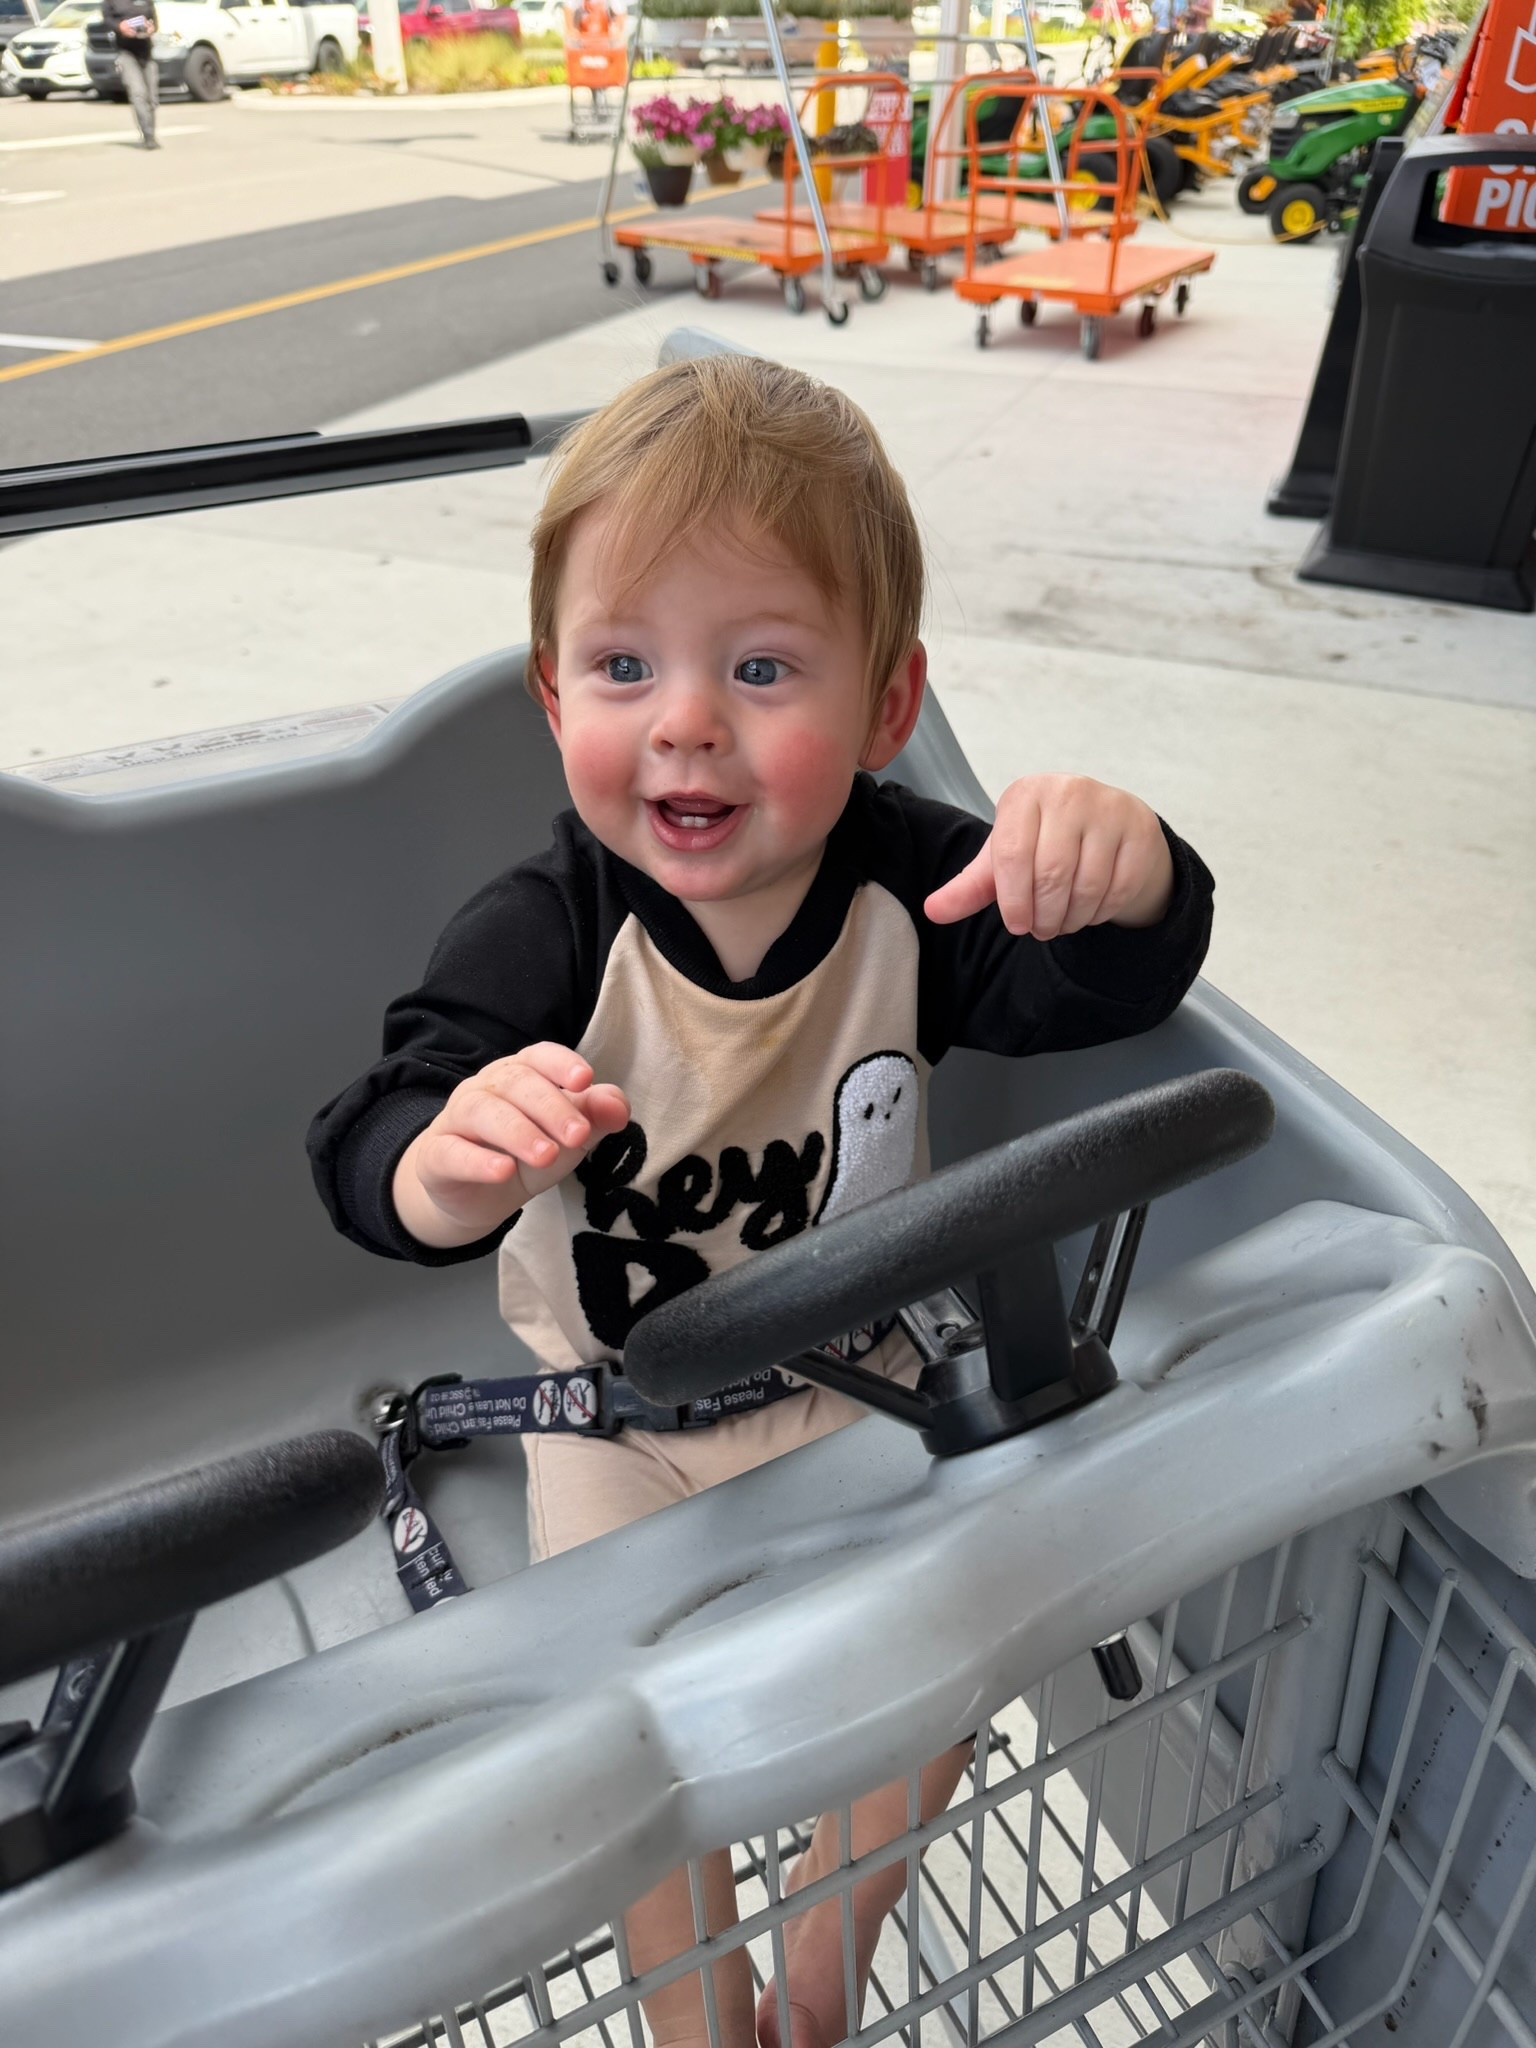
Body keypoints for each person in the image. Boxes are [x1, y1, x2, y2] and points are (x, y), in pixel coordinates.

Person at [308, 355, 1215, 2048]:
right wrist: (441, 1163)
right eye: (624, 665)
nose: (686, 721)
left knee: (955, 1653)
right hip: (622, 1419)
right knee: (629, 1748)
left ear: (886, 706)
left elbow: (1098, 989)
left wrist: (1132, 869)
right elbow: (371, 1132)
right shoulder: (547, 929)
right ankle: (699, 2015)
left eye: (763, 667)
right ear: (552, 694)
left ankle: (824, 1957)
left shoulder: (918, 883)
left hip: (870, 1376)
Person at [101, 0, 158, 149]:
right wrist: (120, 27)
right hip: (126, 52)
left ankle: (152, 131)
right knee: (138, 93)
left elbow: (154, 19)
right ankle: (148, 135)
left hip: (146, 52)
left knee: (152, 98)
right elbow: (106, 20)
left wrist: (151, 27)